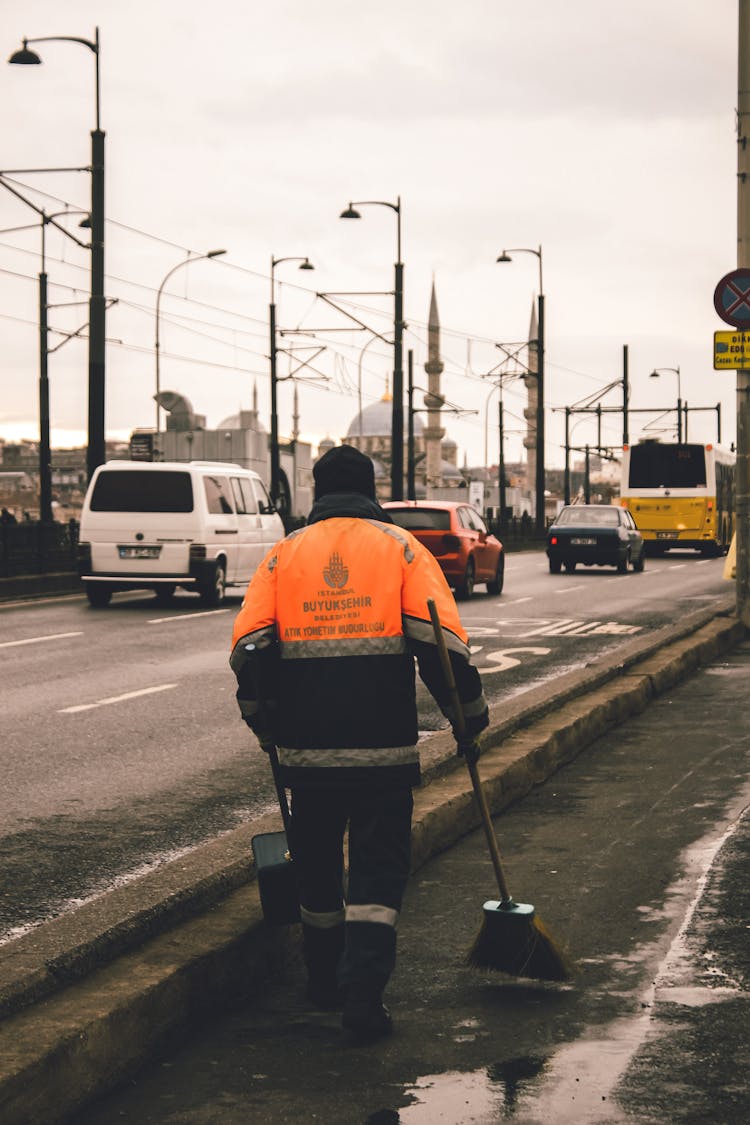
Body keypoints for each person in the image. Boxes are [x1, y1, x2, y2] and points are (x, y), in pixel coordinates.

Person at [230, 445, 488, 1042]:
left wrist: (263, 723)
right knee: (377, 876)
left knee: (316, 873)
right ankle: (363, 997)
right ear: (370, 489)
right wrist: (469, 721)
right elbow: (442, 649)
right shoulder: (401, 549)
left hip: (306, 756)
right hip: (383, 756)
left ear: (316, 493)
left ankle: (322, 981)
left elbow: (250, 652)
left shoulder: (284, 555)